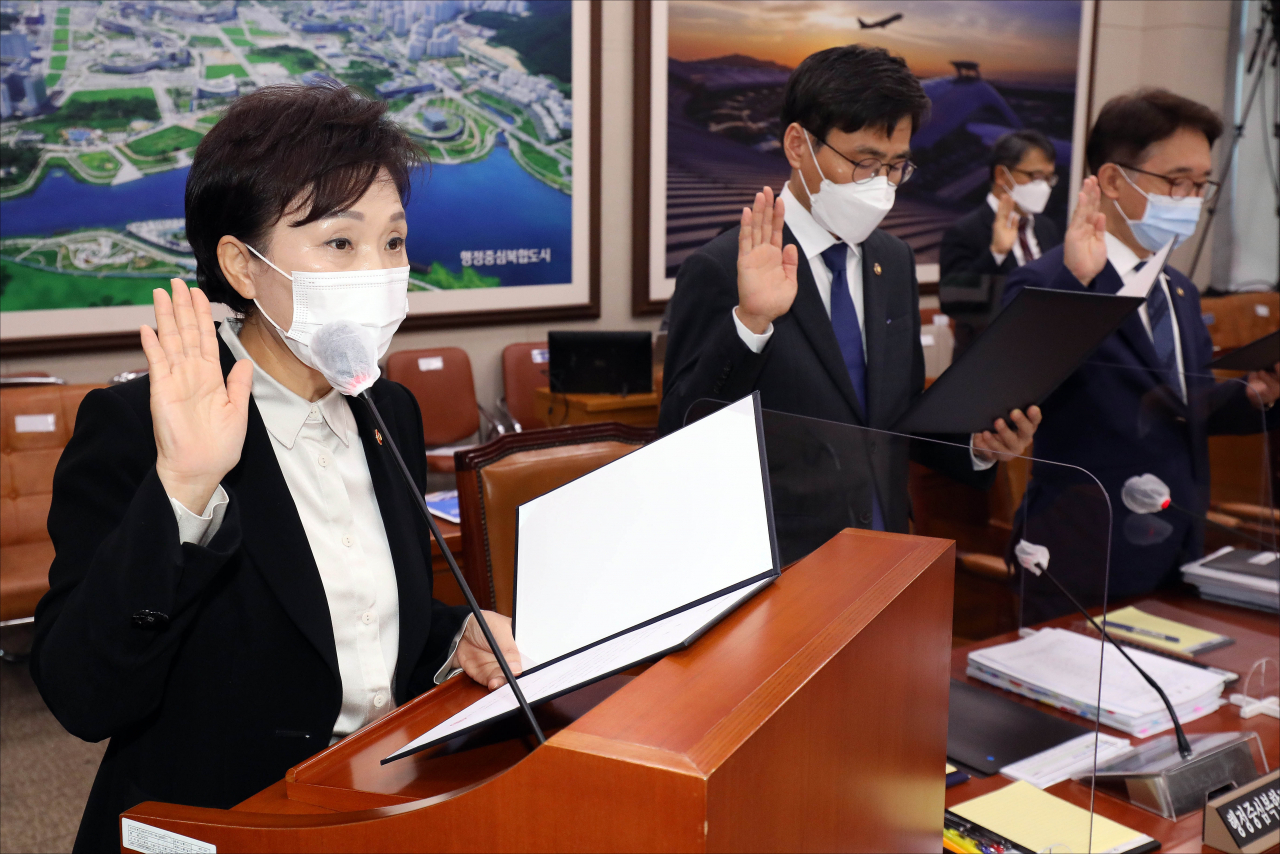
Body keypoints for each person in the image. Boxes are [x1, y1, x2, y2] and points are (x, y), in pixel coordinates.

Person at [30, 83, 523, 852]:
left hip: (372, 804)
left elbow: (367, 625)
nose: (378, 269)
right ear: (242, 265)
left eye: (392, 242)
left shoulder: (386, 410)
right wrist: (185, 490)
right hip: (222, 824)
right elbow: (84, 697)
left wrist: (456, 636)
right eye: (339, 243)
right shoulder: (137, 430)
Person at [660, 45, 1040, 537]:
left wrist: (978, 446)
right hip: (783, 567)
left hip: (885, 548)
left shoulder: (894, 260)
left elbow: (895, 418)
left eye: (896, 166)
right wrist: (749, 325)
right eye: (864, 162)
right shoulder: (719, 267)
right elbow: (679, 435)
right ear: (798, 146)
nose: (881, 185)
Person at [1002, 88, 1280, 622]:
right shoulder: (1049, 280)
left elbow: (1182, 404)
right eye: (1177, 181)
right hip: (1084, 551)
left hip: (1178, 545)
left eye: (1201, 185)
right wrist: (1077, 284)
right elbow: (1015, 391)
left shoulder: (1178, 288)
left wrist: (1257, 396)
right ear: (1111, 180)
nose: (1191, 198)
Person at [939, 129, 1064, 356]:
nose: (1044, 186)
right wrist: (996, 253)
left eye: (1049, 178)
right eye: (1035, 176)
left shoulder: (1047, 228)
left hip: (1045, 357)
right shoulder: (966, 230)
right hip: (989, 363)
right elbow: (954, 302)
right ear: (1001, 175)